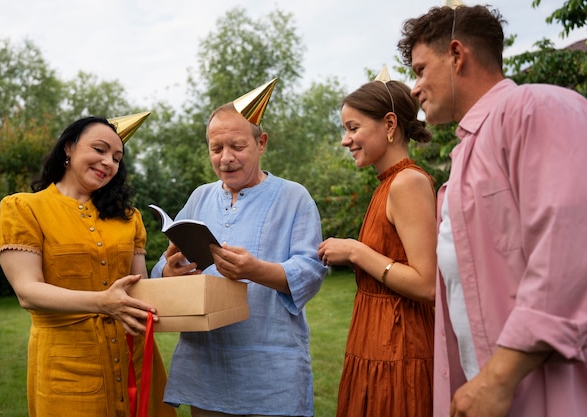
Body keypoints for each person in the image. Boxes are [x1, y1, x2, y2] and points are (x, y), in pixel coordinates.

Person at [397, 4, 587, 417]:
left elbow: (569, 243)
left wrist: (500, 376)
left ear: (457, 54)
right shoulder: (467, 152)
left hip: (544, 390)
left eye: (419, 69)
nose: (414, 87)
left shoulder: (535, 108)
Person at [150, 79, 328, 417]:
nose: (226, 158)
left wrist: (254, 270)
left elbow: (311, 271)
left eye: (237, 147)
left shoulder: (294, 197)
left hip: (270, 371)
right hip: (205, 366)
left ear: (261, 143)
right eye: (216, 149)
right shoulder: (200, 197)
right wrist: (169, 272)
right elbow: (165, 265)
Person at [0, 114, 176, 417]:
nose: (109, 162)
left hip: (136, 359)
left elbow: (138, 287)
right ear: (69, 147)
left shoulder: (129, 217)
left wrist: (171, 272)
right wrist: (103, 303)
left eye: (117, 158)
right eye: (100, 150)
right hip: (67, 367)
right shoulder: (24, 209)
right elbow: (28, 292)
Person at [317, 67, 437, 417]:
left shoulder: (407, 183)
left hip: (399, 345)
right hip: (375, 336)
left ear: (388, 125)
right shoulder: (388, 183)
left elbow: (427, 283)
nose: (345, 140)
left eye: (353, 128)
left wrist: (355, 251)